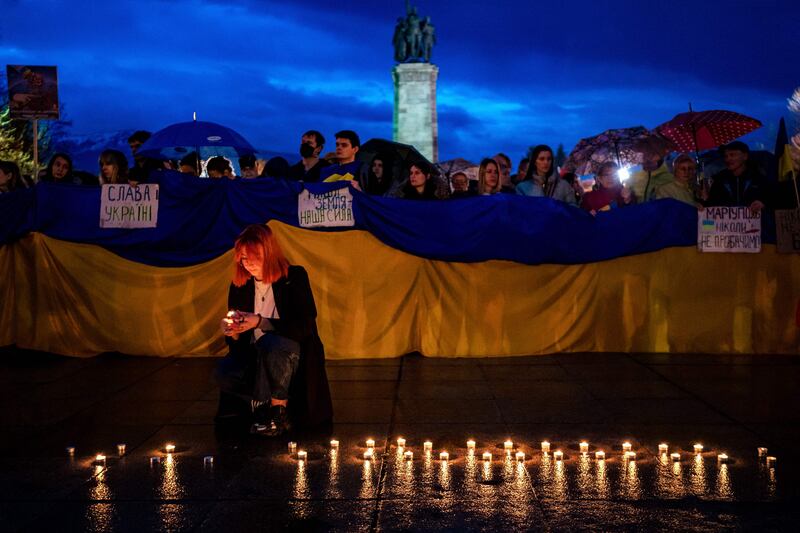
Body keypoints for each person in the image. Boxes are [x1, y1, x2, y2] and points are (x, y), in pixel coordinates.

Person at [216, 224, 332, 435]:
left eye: (254, 256)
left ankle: (278, 411)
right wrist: (232, 330)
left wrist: (260, 321)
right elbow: (238, 339)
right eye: (243, 258)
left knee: (272, 344)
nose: (248, 263)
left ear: (269, 253)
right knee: (225, 370)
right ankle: (259, 407)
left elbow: (304, 326)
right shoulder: (240, 285)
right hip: (255, 351)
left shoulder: (294, 277)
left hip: (289, 349)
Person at [702, 141, 766, 212]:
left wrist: (763, 204)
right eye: (726, 156)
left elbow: (771, 201)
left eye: (732, 155)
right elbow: (711, 205)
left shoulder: (758, 178)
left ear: (745, 156)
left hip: (755, 222)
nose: (728, 159)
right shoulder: (719, 180)